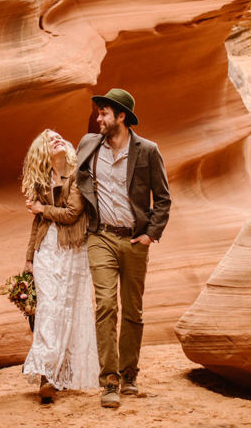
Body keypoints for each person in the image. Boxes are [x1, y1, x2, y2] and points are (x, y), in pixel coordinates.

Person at [75, 88, 171, 408]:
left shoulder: (147, 151)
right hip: (99, 235)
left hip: (134, 239)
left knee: (133, 310)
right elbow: (72, 182)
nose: (98, 118)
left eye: (104, 113)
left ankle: (129, 374)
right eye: (98, 112)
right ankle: (109, 381)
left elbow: (163, 198)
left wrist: (150, 235)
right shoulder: (88, 145)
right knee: (105, 305)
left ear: (121, 117)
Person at [21, 129, 99, 402]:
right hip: (47, 250)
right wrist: (29, 258)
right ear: (42, 150)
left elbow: (72, 213)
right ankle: (45, 374)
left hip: (73, 250)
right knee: (49, 309)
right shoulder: (42, 181)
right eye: (49, 138)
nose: (56, 138)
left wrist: (43, 209)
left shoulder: (79, 175)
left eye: (58, 136)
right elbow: (37, 224)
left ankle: (59, 374)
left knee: (69, 309)